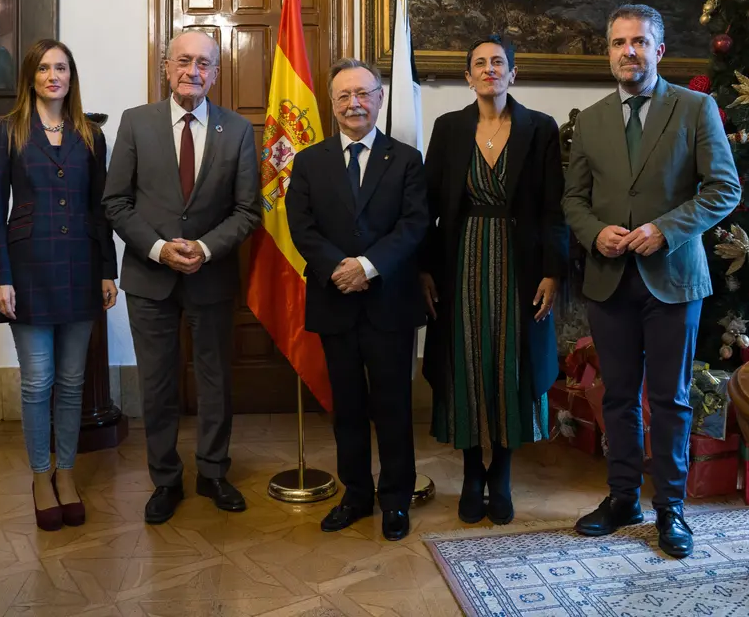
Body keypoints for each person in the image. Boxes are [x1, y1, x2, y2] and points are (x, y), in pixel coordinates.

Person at [562, 4, 740, 557]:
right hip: (610, 279)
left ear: (658, 50)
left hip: (673, 280)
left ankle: (670, 510)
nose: (627, 51)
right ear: (608, 51)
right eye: (618, 42)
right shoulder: (589, 120)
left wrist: (666, 229)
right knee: (616, 397)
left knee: (670, 400)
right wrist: (596, 234)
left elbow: (723, 189)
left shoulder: (695, 108)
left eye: (639, 41)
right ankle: (621, 500)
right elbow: (574, 199)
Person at [103, 29, 260, 523]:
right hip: (150, 278)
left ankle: (213, 472)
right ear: (166, 66)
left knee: (215, 379)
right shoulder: (135, 123)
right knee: (158, 382)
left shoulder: (236, 130)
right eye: (185, 61)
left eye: (205, 64)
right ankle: (165, 480)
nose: (194, 71)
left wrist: (205, 248)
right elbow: (115, 202)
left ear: (216, 72)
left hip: (210, 276)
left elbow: (247, 210)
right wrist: (157, 248)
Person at [420, 34, 567, 526]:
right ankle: (471, 473)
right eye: (479, 63)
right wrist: (423, 267)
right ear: (467, 76)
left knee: (509, 362)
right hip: (459, 260)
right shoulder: (448, 128)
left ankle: (500, 473)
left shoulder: (539, 128)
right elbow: (427, 207)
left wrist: (552, 270)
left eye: (497, 62)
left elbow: (553, 207)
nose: (488, 70)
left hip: (520, 264)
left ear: (512, 74)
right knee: (465, 362)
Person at [285, 58, 427, 541]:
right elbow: (301, 227)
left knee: (393, 405)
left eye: (364, 93)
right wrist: (338, 268)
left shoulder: (406, 159)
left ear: (380, 99)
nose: (354, 103)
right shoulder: (309, 161)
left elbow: (413, 225)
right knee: (346, 407)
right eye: (344, 95)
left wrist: (366, 266)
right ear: (331, 102)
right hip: (335, 301)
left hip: (389, 302)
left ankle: (395, 500)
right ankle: (356, 494)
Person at [0, 38, 119, 532]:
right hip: (28, 270)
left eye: (61, 67)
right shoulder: (7, 132)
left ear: (71, 76)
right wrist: (0, 276)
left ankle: (67, 473)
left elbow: (100, 208)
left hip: (81, 267)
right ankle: (41, 477)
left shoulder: (89, 134)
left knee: (71, 383)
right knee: (38, 381)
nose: (53, 75)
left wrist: (109, 268)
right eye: (43, 68)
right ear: (30, 77)